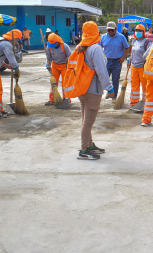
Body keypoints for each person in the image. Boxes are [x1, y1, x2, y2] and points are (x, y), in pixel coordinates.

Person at [76, 21, 114, 160]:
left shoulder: (81, 47)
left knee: (85, 120)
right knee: (88, 122)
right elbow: (101, 70)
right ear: (95, 32)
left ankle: (89, 144)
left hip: (82, 89)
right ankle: (84, 150)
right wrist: (109, 88)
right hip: (93, 90)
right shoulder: (95, 48)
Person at [99, 21, 129, 101]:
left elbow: (127, 48)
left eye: (112, 30)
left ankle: (114, 96)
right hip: (106, 62)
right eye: (108, 30)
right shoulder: (103, 37)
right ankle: (109, 92)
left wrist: (123, 58)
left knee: (115, 80)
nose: (110, 32)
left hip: (117, 62)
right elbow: (98, 48)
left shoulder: (121, 37)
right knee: (105, 79)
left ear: (116, 29)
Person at [45, 33, 72, 105]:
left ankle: (66, 99)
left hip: (64, 65)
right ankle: (51, 99)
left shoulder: (64, 46)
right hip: (54, 65)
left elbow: (70, 55)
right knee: (53, 82)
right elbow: (48, 57)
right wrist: (47, 65)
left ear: (57, 41)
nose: (52, 46)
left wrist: (68, 59)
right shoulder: (49, 47)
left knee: (65, 83)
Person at [128, 24, 151, 106]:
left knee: (145, 85)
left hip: (143, 67)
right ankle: (134, 102)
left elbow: (150, 55)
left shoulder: (147, 42)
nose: (138, 32)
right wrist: (129, 60)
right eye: (136, 31)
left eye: (140, 31)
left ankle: (145, 102)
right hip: (134, 66)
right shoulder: (134, 41)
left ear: (143, 32)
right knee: (134, 85)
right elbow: (132, 52)